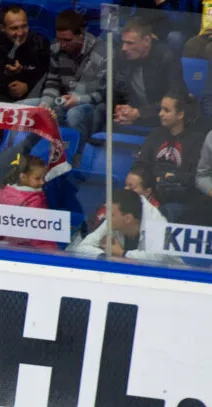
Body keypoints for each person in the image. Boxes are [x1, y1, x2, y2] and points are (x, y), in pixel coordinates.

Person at [33, 9, 107, 143]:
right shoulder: (56, 48)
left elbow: (104, 93)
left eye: (67, 40)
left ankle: (78, 156)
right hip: (64, 101)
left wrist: (79, 100)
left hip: (91, 104)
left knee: (74, 115)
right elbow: (53, 82)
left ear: (81, 35)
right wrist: (45, 103)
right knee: (27, 107)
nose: (63, 45)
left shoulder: (102, 53)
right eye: (60, 39)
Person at [131, 91, 207, 223]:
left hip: (181, 200)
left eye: (166, 110)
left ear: (180, 114)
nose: (160, 114)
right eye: (161, 109)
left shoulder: (197, 140)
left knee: (165, 212)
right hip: (152, 192)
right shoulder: (155, 135)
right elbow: (141, 164)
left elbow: (196, 176)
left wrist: (171, 178)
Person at [69, 189, 180, 264]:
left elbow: (158, 259)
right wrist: (105, 256)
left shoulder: (157, 224)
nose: (106, 217)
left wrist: (122, 253)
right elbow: (83, 247)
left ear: (127, 218)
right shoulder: (113, 219)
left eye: (111, 214)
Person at [113, 18, 186, 128]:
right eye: (123, 42)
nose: (124, 48)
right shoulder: (123, 56)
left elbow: (176, 97)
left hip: (163, 117)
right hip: (135, 113)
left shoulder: (167, 58)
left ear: (146, 41)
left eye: (130, 43)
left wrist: (139, 112)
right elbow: (117, 88)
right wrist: (121, 107)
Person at [0, 4, 49, 103]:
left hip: (32, 99)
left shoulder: (40, 43)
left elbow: (51, 77)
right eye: (14, 28)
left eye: (24, 26)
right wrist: (5, 73)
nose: (20, 33)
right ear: (2, 28)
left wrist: (28, 86)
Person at [0, 155, 59, 250]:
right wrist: (53, 252)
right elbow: (39, 233)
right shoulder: (35, 201)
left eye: (44, 177)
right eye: (37, 178)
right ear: (23, 177)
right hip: (25, 250)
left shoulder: (5, 192)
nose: (42, 182)